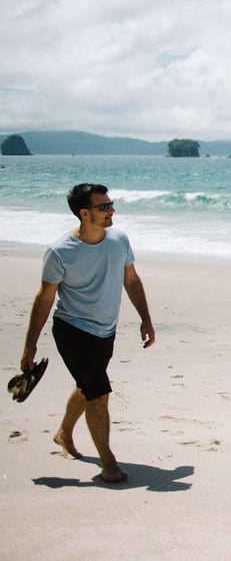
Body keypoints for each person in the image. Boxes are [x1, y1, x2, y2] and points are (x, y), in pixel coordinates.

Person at [19, 183, 156, 483]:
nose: (112, 210)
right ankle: (108, 463)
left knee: (88, 388)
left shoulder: (119, 239)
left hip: (106, 330)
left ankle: (63, 434)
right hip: (72, 329)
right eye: (104, 206)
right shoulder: (60, 252)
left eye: (111, 204)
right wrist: (30, 346)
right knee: (100, 393)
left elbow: (131, 280)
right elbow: (45, 298)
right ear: (84, 213)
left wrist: (145, 318)